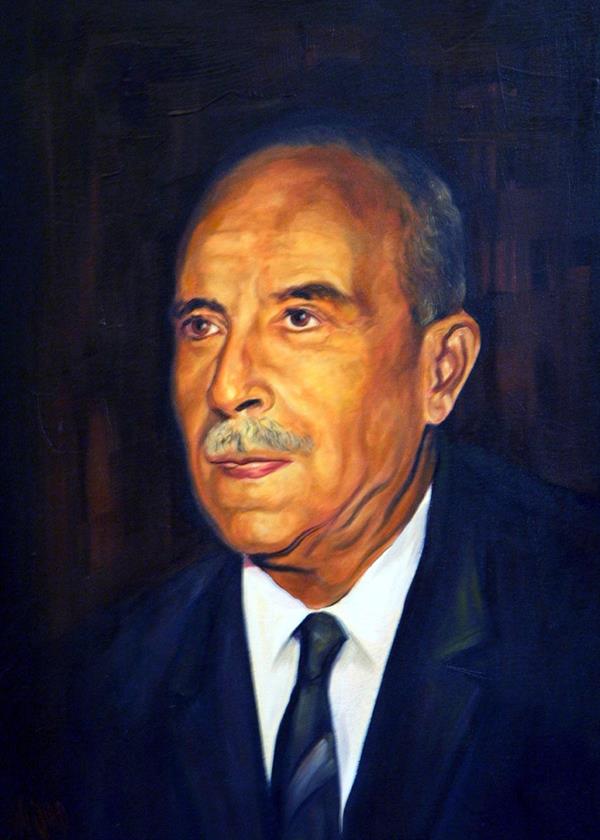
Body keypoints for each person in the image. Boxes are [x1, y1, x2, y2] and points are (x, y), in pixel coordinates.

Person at [60, 124, 599, 839]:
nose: (227, 388)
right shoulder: (99, 692)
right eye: (203, 326)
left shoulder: (576, 622)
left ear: (440, 371)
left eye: (300, 317)